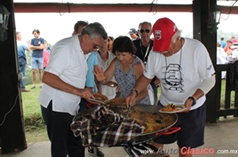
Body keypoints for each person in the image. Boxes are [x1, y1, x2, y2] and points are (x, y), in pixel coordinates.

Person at [125, 17, 216, 157]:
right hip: (166, 107)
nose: (163, 52)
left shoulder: (196, 49)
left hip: (192, 108)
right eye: (160, 47)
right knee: (155, 143)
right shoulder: (155, 53)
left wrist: (193, 98)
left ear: (177, 38)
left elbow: (210, 79)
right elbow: (146, 77)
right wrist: (134, 92)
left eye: (166, 47)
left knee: (185, 149)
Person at [38, 22, 108, 157]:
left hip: (72, 106)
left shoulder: (84, 49)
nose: (95, 50)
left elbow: (75, 76)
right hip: (56, 106)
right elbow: (47, 77)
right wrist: (80, 92)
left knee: (76, 145)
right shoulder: (66, 48)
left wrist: (93, 85)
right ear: (86, 37)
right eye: (95, 46)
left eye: (98, 48)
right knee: (60, 149)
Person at [72, 20, 104, 157]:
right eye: (82, 32)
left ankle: (92, 147)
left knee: (94, 124)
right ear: (76, 34)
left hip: (91, 92)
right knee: (78, 126)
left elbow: (98, 74)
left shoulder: (93, 53)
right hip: (76, 93)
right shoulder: (70, 52)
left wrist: (100, 90)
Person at [94, 36, 153, 105]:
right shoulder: (116, 62)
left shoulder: (137, 65)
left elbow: (144, 91)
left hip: (140, 100)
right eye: (118, 54)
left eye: (123, 55)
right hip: (125, 100)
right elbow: (105, 79)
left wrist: (133, 99)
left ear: (130, 52)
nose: (120, 58)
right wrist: (101, 80)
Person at [133, 21, 159, 105]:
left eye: (147, 31)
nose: (144, 33)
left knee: (152, 104)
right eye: (142, 31)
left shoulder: (157, 45)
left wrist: (160, 78)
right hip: (136, 79)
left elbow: (163, 62)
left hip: (152, 80)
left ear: (151, 32)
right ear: (138, 32)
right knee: (134, 102)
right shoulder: (133, 44)